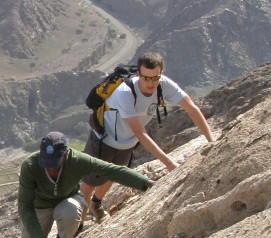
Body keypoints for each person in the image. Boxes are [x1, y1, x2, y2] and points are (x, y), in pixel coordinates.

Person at [80, 51, 214, 222]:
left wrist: (212, 141)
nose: (150, 83)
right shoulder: (125, 92)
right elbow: (141, 133)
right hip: (103, 139)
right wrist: (170, 164)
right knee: (89, 183)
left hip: (126, 142)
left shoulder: (164, 85)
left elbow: (192, 109)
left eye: (155, 78)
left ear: (161, 74)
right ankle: (78, 227)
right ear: (138, 74)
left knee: (113, 175)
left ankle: (96, 204)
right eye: (146, 78)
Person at [18, 131, 153, 238]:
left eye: (55, 165)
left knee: (70, 212)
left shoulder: (76, 160)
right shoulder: (30, 166)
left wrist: (146, 183)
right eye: (47, 164)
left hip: (67, 199)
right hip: (39, 207)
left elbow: (111, 170)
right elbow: (25, 206)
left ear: (66, 154)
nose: (51, 169)